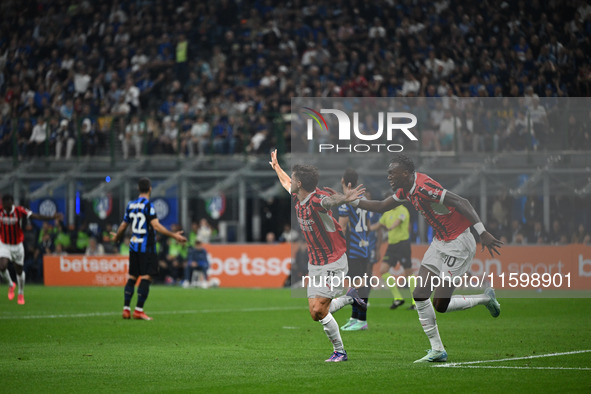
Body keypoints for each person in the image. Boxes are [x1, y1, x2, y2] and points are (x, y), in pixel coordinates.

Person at [347, 154, 502, 363]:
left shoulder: (424, 186)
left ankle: (486, 299)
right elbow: (382, 206)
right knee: (420, 294)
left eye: (392, 173)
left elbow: (460, 201)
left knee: (440, 304)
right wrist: (353, 201)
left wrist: (482, 231)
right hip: (440, 242)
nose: (389, 177)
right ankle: (437, 350)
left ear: (405, 173)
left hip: (459, 243)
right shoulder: (405, 191)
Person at [269, 149, 367, 362]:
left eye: (295, 179)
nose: (291, 182)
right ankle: (350, 296)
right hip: (316, 263)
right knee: (315, 313)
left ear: (301, 184)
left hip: (334, 260)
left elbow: (330, 202)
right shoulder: (298, 195)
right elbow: (286, 182)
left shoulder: (316, 200)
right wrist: (277, 167)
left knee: (321, 310)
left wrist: (344, 199)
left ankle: (340, 352)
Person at [112, 178, 187, 320]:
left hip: (134, 246)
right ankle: (139, 310)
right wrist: (173, 235)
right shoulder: (148, 206)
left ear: (138, 189)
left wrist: (117, 237)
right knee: (147, 276)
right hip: (147, 246)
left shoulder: (131, 205)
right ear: (150, 189)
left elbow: (123, 226)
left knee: (132, 277)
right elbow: (156, 226)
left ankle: (126, 309)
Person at [0, 194, 62, 305]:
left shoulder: (19, 211)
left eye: (7, 205)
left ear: (12, 203)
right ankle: (10, 284)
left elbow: (36, 216)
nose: (5, 207)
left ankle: (20, 292)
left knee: (19, 271)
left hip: (17, 245)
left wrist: (52, 217)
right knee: (2, 266)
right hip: (4, 244)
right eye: (4, 205)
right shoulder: (1, 210)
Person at [337, 169, 374, 331]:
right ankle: (354, 318)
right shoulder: (363, 198)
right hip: (365, 245)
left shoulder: (347, 200)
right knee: (355, 284)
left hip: (352, 247)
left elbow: (343, 227)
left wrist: (339, 247)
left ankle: (362, 320)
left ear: (343, 180)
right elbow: (368, 225)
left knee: (357, 284)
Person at [369, 202, 416, 310]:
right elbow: (379, 224)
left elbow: (397, 222)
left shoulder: (403, 210)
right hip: (392, 246)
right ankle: (398, 298)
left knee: (408, 272)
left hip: (403, 244)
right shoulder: (387, 213)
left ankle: (416, 301)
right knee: (383, 270)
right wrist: (368, 228)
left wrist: (390, 227)